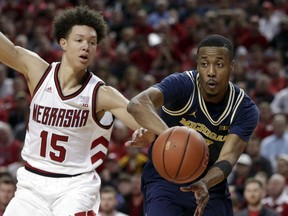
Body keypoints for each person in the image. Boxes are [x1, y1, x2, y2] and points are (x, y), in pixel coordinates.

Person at [0, 6, 153, 216]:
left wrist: (148, 134)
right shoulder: (38, 72)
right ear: (63, 42)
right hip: (31, 184)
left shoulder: (102, 94)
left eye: (92, 43)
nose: (86, 47)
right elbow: (9, 50)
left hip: (76, 187)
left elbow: (149, 128)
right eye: (79, 40)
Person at [126, 34, 259, 216]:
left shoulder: (244, 109)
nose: (211, 71)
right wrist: (172, 139)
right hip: (165, 179)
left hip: (210, 184)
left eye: (219, 64)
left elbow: (227, 158)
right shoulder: (183, 84)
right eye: (204, 64)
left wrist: (205, 182)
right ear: (197, 65)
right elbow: (137, 104)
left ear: (232, 66)